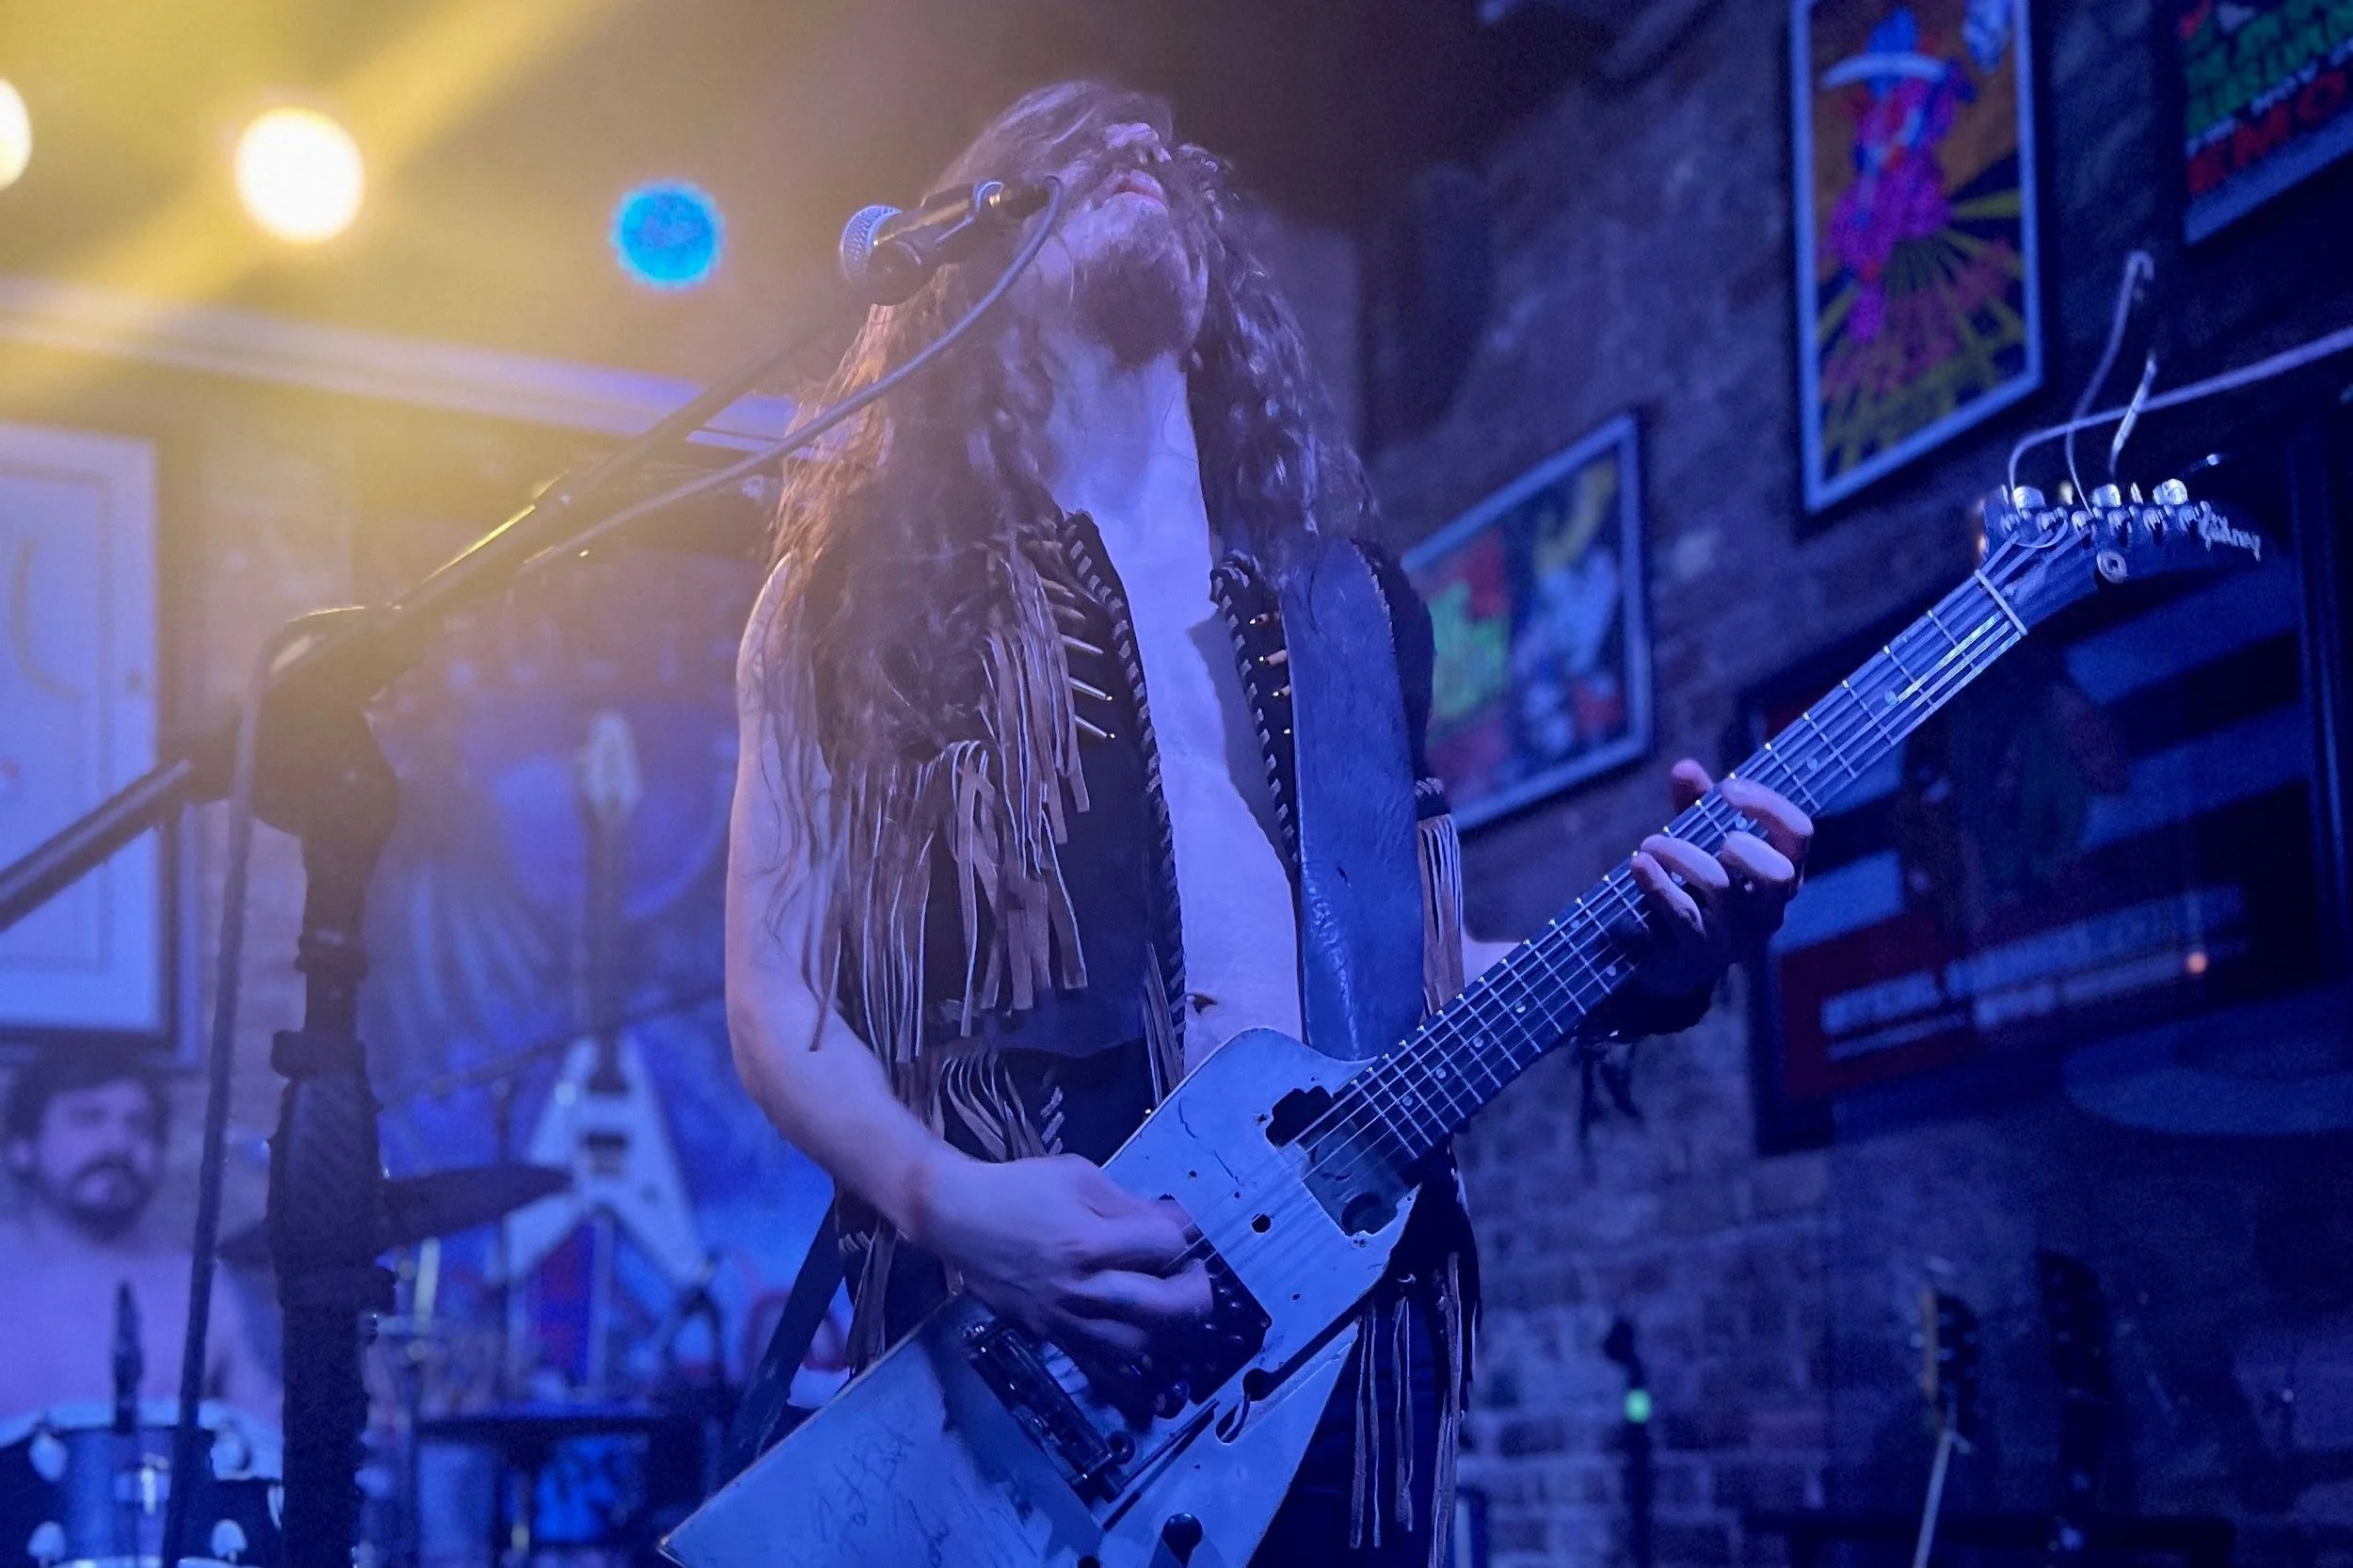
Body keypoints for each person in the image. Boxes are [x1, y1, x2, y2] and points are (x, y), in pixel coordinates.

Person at [723, 81, 1811, 1564]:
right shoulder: (850, 593)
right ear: (965, 266)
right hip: (1023, 1357)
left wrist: (1655, 946)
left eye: (1160, 153)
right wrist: (951, 1201)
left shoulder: (1347, 607)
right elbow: (774, 993)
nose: (1134, 154)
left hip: (1340, 1363)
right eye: (1070, 153)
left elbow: (1401, 987)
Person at [1, 1047, 278, 1420]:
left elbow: (268, 1447)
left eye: (139, 1126)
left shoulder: (207, 1290)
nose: (119, 1142)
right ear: (23, 1147)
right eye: (88, 1118)